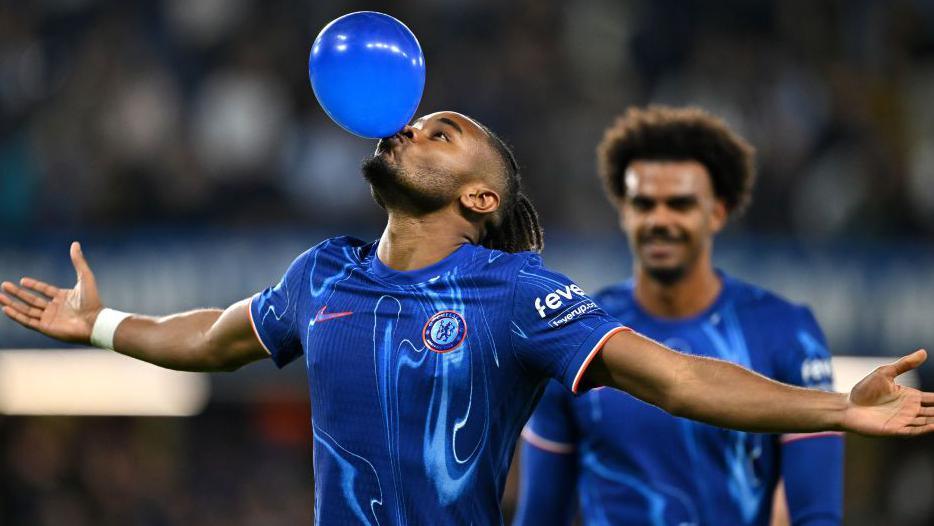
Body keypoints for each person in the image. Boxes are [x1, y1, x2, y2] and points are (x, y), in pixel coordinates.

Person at [1, 111, 931, 526]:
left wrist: (838, 410)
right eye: (416, 126)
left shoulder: (519, 294)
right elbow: (211, 339)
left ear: (481, 197)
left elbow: (679, 377)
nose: (409, 128)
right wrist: (102, 325)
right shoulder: (321, 273)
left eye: (441, 132)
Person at [514, 105, 845, 526]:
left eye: (680, 204)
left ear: (718, 212)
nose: (660, 220)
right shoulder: (575, 337)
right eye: (644, 204)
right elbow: (540, 516)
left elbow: (817, 516)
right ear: (624, 211)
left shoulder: (786, 332)